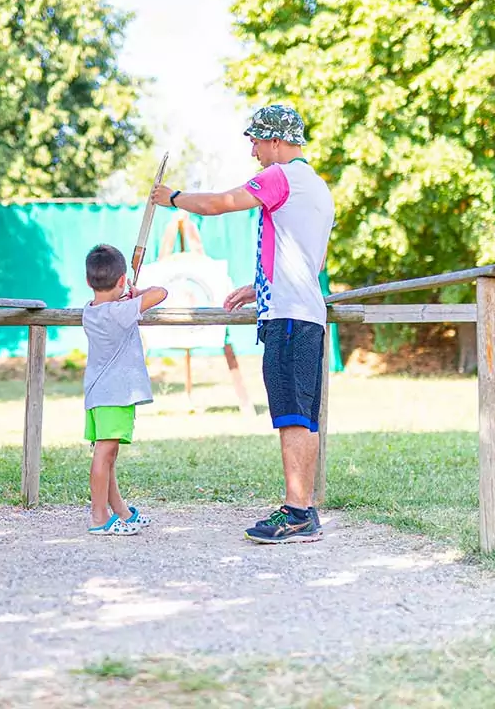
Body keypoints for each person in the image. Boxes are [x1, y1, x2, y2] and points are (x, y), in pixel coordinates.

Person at [148, 105, 335, 543]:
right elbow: (310, 259)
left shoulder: (279, 176)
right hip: (305, 313)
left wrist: (172, 198)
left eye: (255, 140)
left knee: (291, 417)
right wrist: (260, 284)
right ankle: (304, 513)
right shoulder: (317, 186)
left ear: (274, 140)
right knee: (304, 416)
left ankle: (295, 514)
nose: (252, 149)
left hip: (288, 317)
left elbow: (218, 204)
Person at [81, 243, 169, 536]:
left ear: (87, 280)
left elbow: (113, 304)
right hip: (114, 395)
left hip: (99, 394)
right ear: (121, 280)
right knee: (104, 454)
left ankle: (121, 511)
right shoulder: (121, 312)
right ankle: (98, 517)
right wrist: (136, 291)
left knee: (108, 454)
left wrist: (125, 293)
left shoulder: (90, 311)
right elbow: (161, 292)